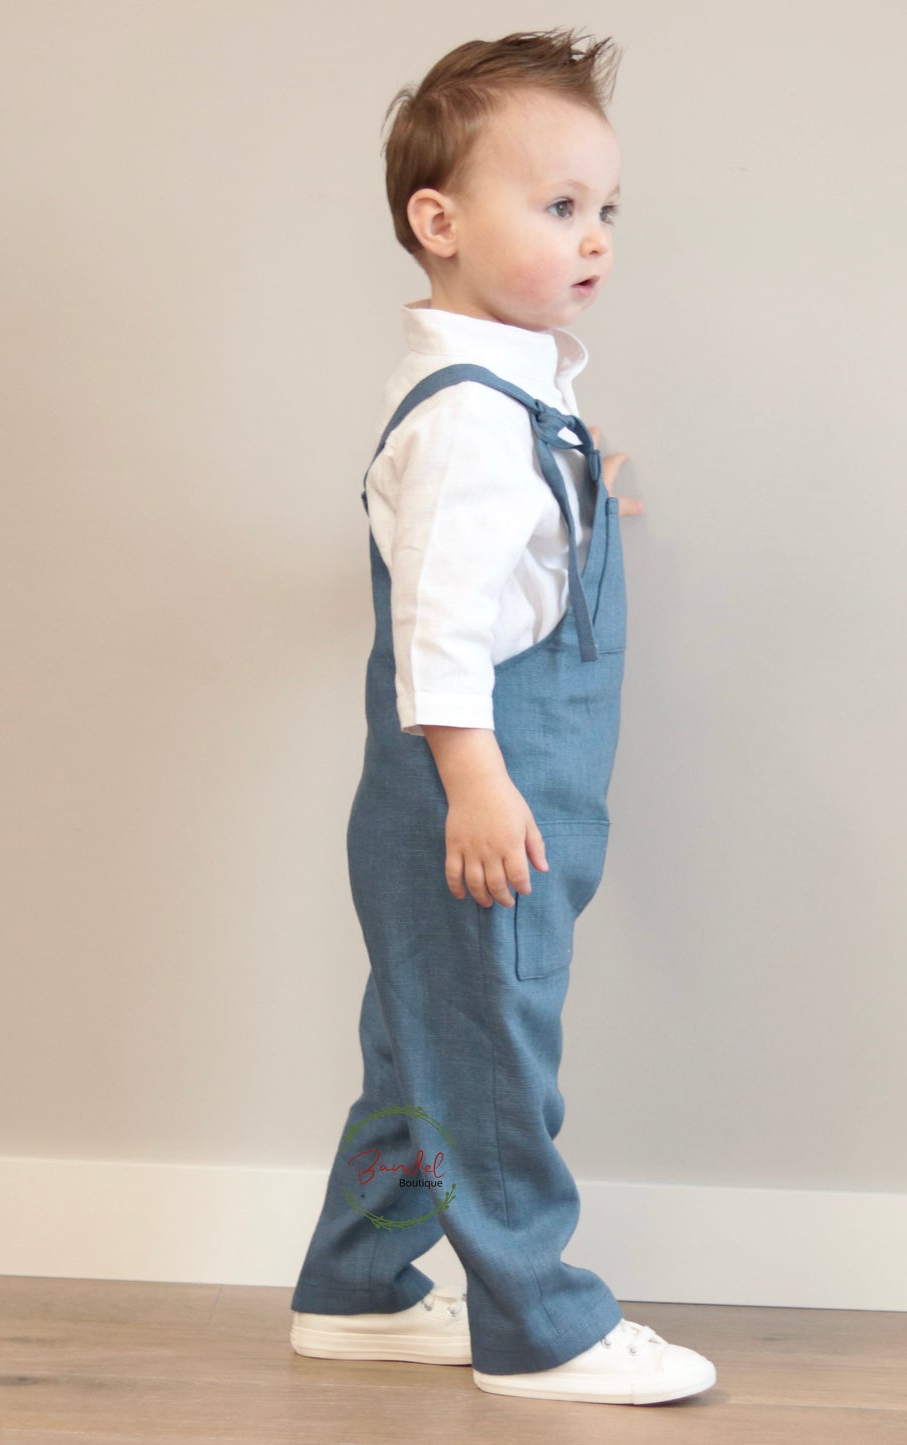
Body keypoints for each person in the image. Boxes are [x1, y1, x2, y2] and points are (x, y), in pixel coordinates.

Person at [286, 28, 717, 1406]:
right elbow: (439, 619)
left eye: (604, 210)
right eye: (556, 207)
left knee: (427, 1041)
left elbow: (502, 536)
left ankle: (355, 1287)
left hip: (504, 787)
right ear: (441, 221)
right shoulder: (473, 422)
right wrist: (474, 781)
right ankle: (537, 1320)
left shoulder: (517, 397)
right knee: (490, 1059)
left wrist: (590, 490)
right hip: (482, 792)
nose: (593, 237)